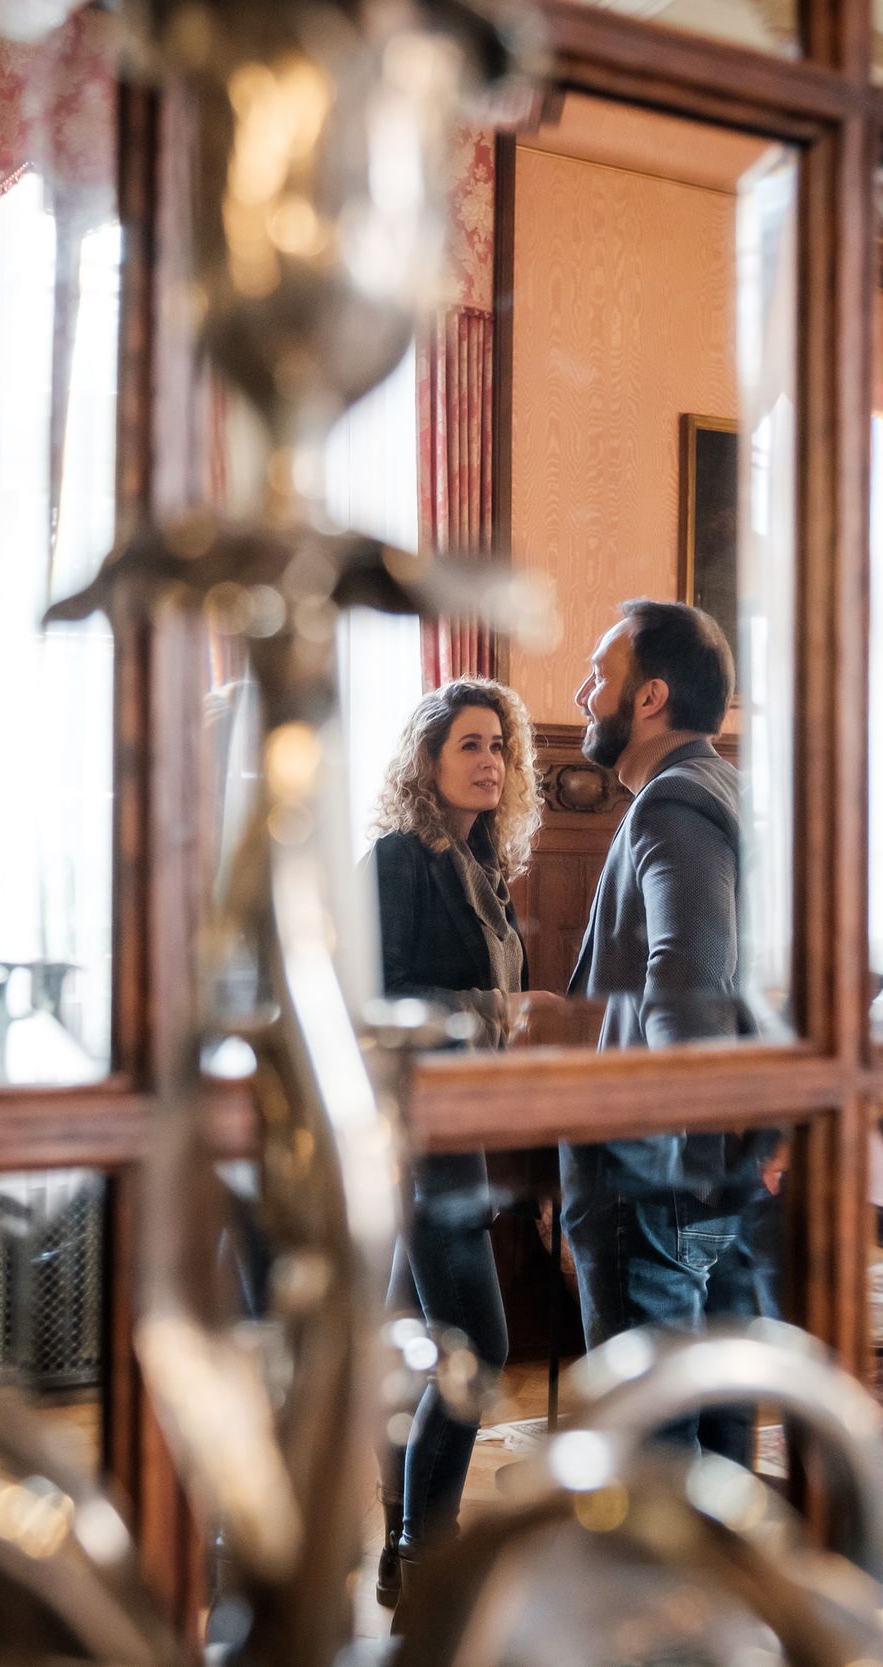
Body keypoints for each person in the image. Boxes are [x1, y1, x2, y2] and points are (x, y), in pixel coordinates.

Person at [554, 599, 778, 1465]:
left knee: (650, 1436)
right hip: (719, 1157)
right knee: (720, 1418)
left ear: (648, 698)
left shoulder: (672, 805)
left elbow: (687, 983)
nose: (582, 692)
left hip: (653, 1163)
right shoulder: (729, 793)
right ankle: (727, 1597)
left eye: (598, 674)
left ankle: (660, 1602)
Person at [362, 678, 540, 1604]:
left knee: (419, 1353)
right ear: (428, 761)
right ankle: (427, 1546)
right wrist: (503, 1008)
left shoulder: (488, 870)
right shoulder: (397, 858)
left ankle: (412, 1551)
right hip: (416, 1128)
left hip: (466, 1127)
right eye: (469, 744)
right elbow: (378, 1007)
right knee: (479, 1343)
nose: (489, 762)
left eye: (499, 747)